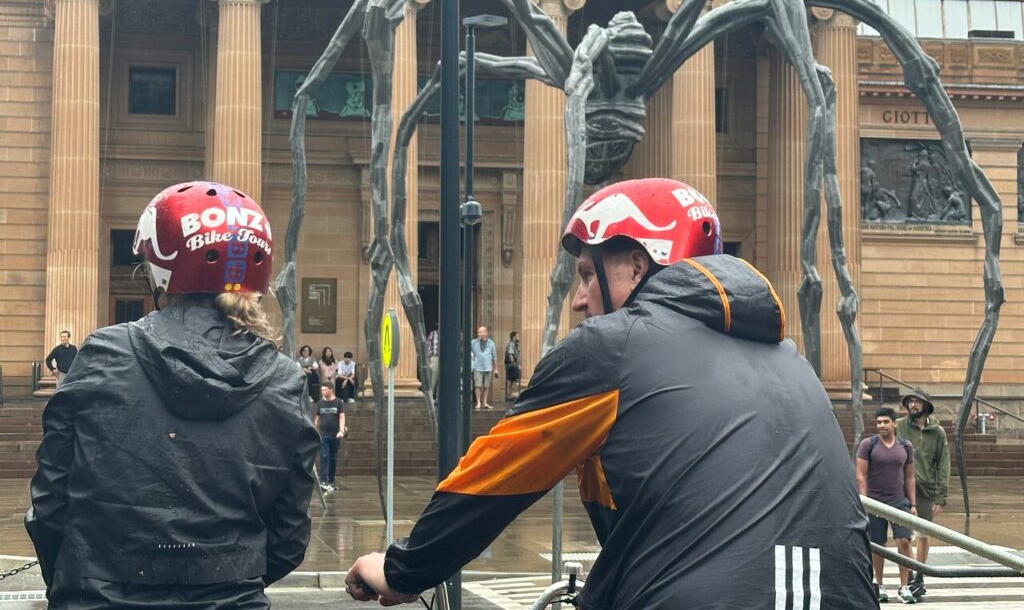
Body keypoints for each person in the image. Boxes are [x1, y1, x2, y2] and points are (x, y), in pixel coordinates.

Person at [345, 177, 875, 609]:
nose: (578, 301)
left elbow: (491, 480)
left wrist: (401, 570)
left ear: (637, 268)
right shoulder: (793, 363)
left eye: (586, 276)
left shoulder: (613, 347)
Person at [26, 180, 319, 610]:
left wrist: (76, 579)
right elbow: (289, 534)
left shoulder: (104, 354)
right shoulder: (285, 379)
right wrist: (226, 578)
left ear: (160, 268)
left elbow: (50, 499)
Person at [857, 406, 918, 604]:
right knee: (878, 545)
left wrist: (913, 503)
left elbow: (909, 476)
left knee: (904, 541)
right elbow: (861, 474)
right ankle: (879, 584)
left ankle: (904, 585)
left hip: (899, 502)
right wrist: (865, 501)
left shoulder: (905, 446)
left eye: (885, 422)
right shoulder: (869, 444)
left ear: (894, 423)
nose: (881, 425)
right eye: (879, 422)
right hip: (875, 503)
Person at [896, 388, 950, 600]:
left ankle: (919, 575)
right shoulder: (899, 426)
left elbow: (943, 465)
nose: (912, 405)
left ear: (925, 406)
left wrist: (941, 496)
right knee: (903, 537)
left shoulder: (937, 432)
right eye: (910, 402)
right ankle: (907, 575)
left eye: (917, 402)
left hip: (926, 490)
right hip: (900, 489)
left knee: (923, 534)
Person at [315, 382, 346, 492]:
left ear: (331, 390)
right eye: (322, 390)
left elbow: (342, 417)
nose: (322, 392)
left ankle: (331, 481)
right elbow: (317, 418)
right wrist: (315, 430)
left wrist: (341, 430)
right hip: (323, 434)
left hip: (335, 435)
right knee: (324, 456)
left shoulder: (338, 402)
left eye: (325, 390)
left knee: (332, 458)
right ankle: (323, 480)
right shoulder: (319, 403)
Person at [469, 326, 497, 410]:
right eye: (479, 332)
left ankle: (484, 402)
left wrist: (496, 369)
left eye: (481, 332)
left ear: (486, 333)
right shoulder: (473, 342)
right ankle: (478, 402)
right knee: (478, 385)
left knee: (486, 386)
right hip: (477, 366)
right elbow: (468, 351)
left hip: (488, 366)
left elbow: (494, 356)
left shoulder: (491, 343)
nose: (480, 334)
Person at [503, 330, 521, 401]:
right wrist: (514, 364)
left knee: (512, 379)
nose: (519, 338)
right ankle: (509, 394)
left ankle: (510, 394)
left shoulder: (515, 345)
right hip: (510, 364)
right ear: (514, 337)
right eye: (518, 336)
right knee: (510, 379)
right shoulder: (511, 344)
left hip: (512, 364)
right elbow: (510, 354)